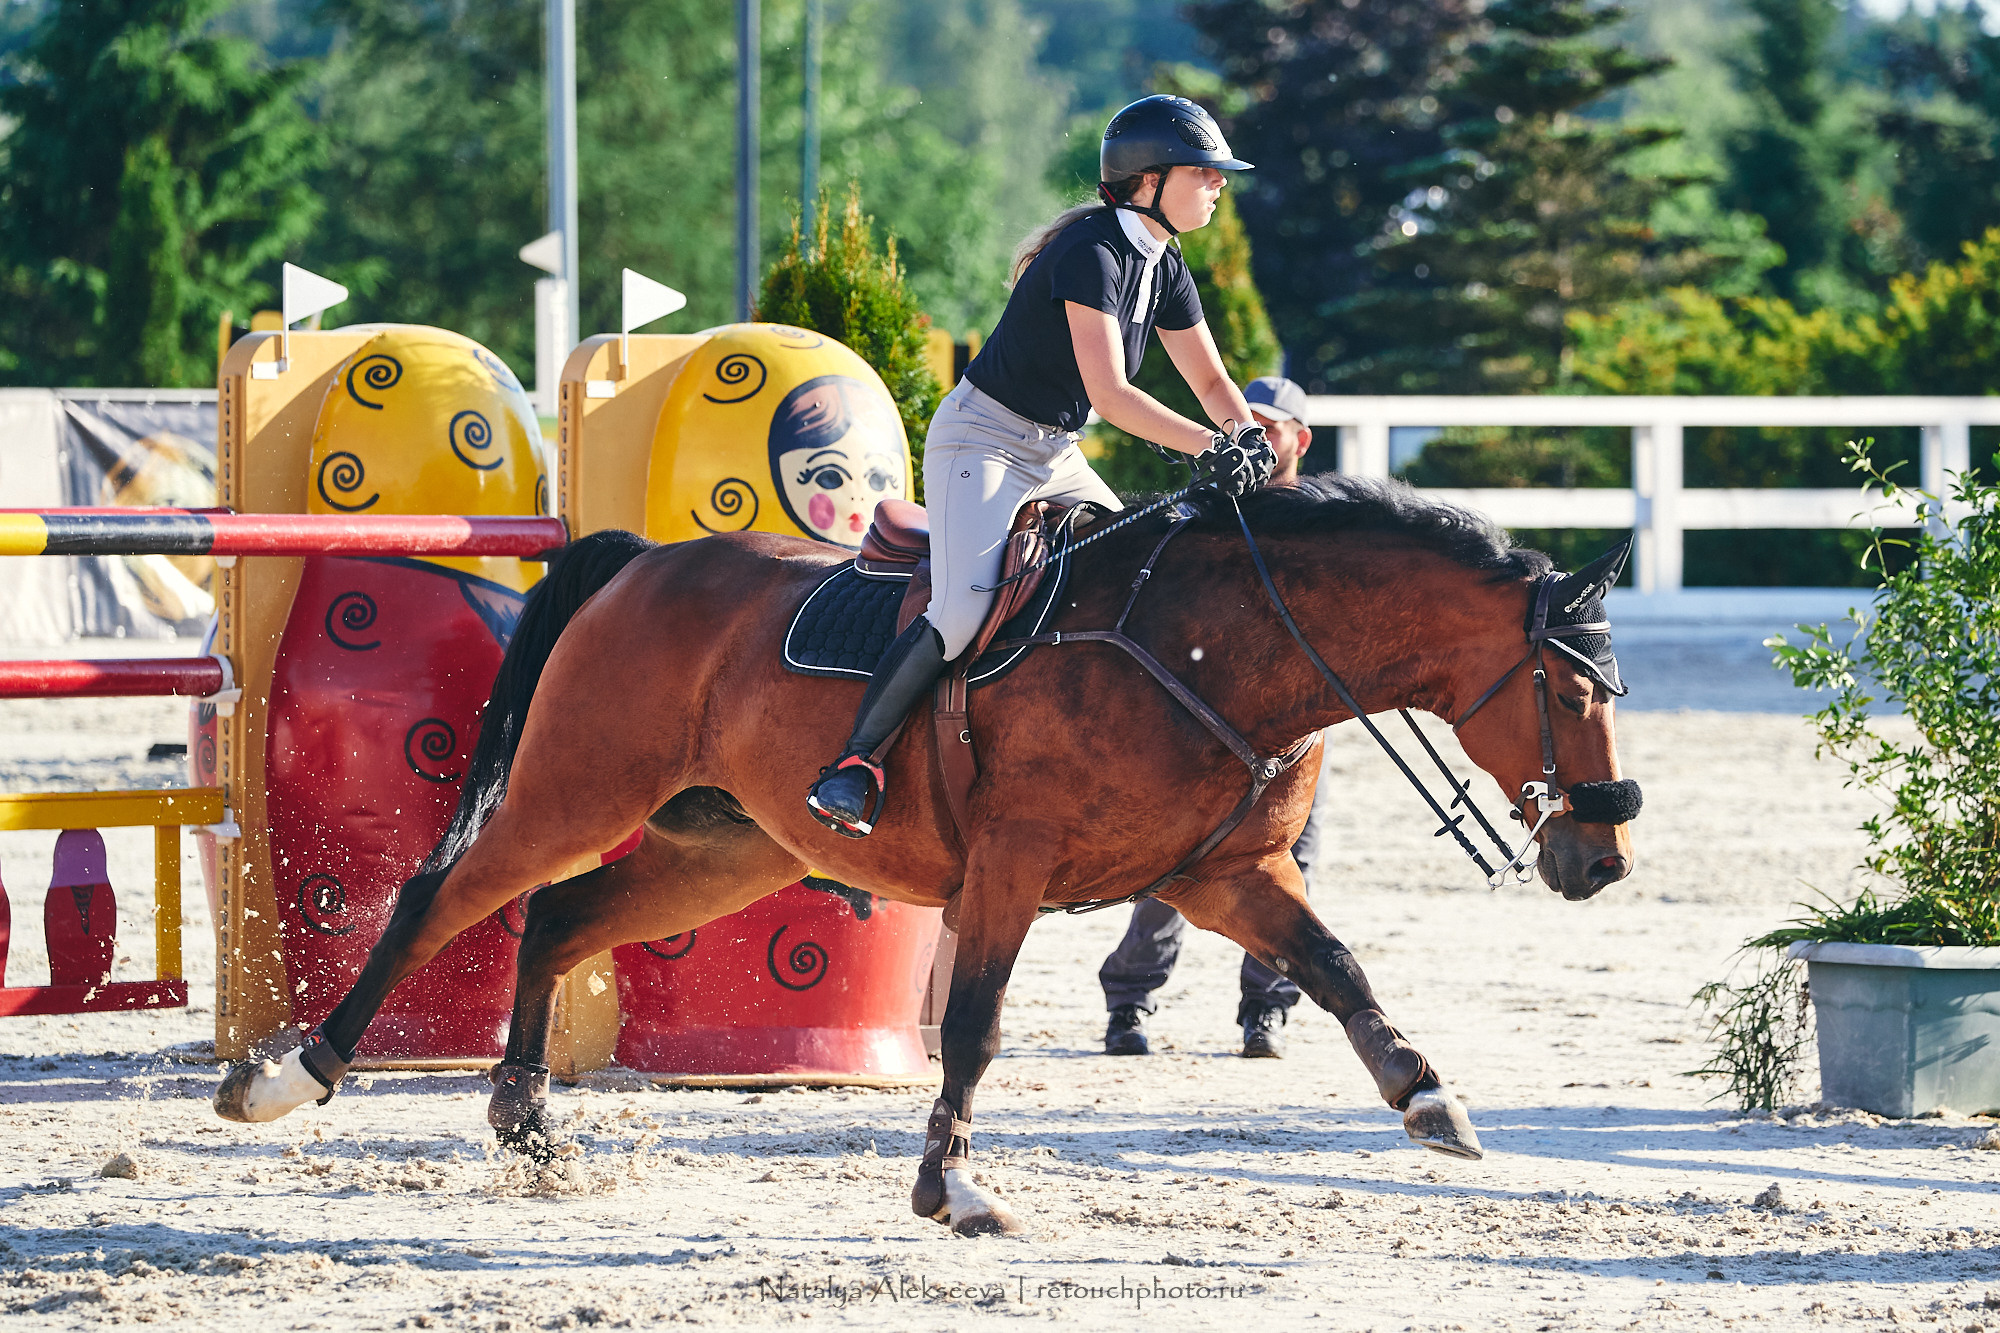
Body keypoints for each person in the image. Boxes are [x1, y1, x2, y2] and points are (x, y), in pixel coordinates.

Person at [806, 95, 1277, 837]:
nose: (1219, 184)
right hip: (983, 442)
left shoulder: (1164, 260)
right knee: (961, 612)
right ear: (1149, 181)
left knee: (1135, 575)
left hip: (1054, 451)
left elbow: (1214, 383)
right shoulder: (1090, 253)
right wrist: (1211, 446)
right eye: (1205, 172)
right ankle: (855, 765)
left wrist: (1247, 435)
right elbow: (1113, 395)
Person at [1099, 375, 1325, 1060]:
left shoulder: (1321, 522)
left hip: (1292, 730)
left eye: (1270, 425)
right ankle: (1130, 999)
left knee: (1292, 863)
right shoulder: (1211, 506)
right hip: (1202, 722)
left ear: (1300, 438)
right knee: (1172, 860)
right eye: (1245, 422)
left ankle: (1267, 1008)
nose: (1256, 434)